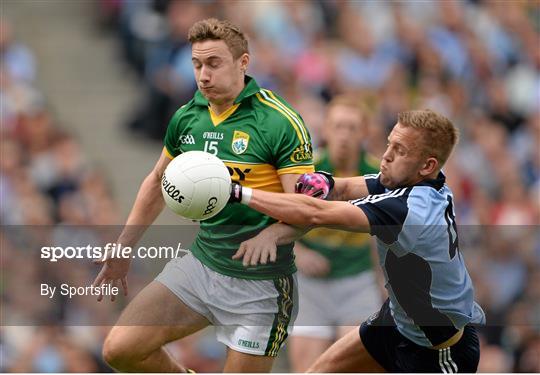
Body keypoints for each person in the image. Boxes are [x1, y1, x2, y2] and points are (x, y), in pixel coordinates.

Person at [93, 18, 314, 373]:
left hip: (261, 285)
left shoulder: (278, 121)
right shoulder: (187, 117)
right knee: (121, 350)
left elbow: (308, 208)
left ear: (243, 63)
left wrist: (274, 232)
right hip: (202, 266)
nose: (203, 75)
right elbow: (156, 182)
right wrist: (124, 246)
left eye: (213, 63)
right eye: (196, 64)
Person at [231, 109, 486, 372]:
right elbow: (345, 188)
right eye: (389, 143)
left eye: (400, 150)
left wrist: (238, 192)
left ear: (427, 166)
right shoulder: (417, 183)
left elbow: (315, 213)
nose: (386, 155)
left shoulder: (408, 210)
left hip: (437, 351)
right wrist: (325, 182)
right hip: (395, 323)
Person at [287, 95, 383, 372]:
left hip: (357, 281)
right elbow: (272, 216)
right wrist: (299, 253)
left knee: (358, 367)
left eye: (352, 128)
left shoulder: (377, 176)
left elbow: (389, 235)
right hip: (311, 285)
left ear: (364, 133)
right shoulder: (306, 170)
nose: (344, 135)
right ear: (326, 130)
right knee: (306, 369)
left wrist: (384, 282)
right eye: (338, 126)